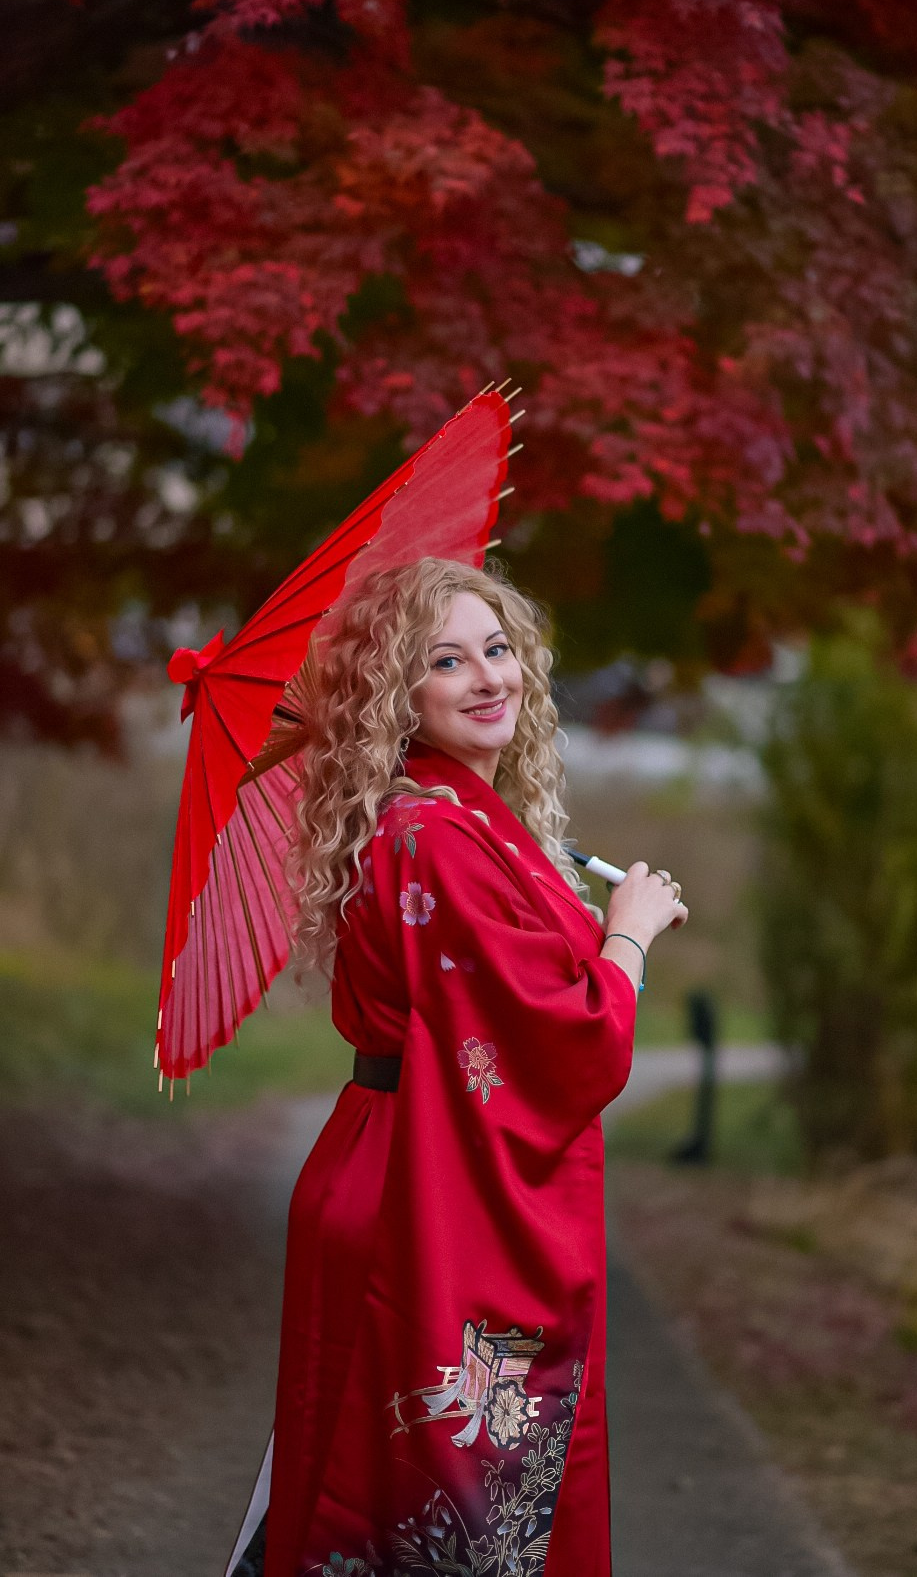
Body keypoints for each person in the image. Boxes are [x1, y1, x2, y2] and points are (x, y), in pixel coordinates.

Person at [233, 556, 687, 1577]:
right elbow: (568, 1043)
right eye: (448, 661)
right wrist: (629, 937)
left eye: (498, 649)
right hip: (419, 1182)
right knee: (424, 1500)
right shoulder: (437, 836)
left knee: (366, 1476)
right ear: (400, 693)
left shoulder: (442, 821)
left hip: (384, 1157)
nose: (489, 678)